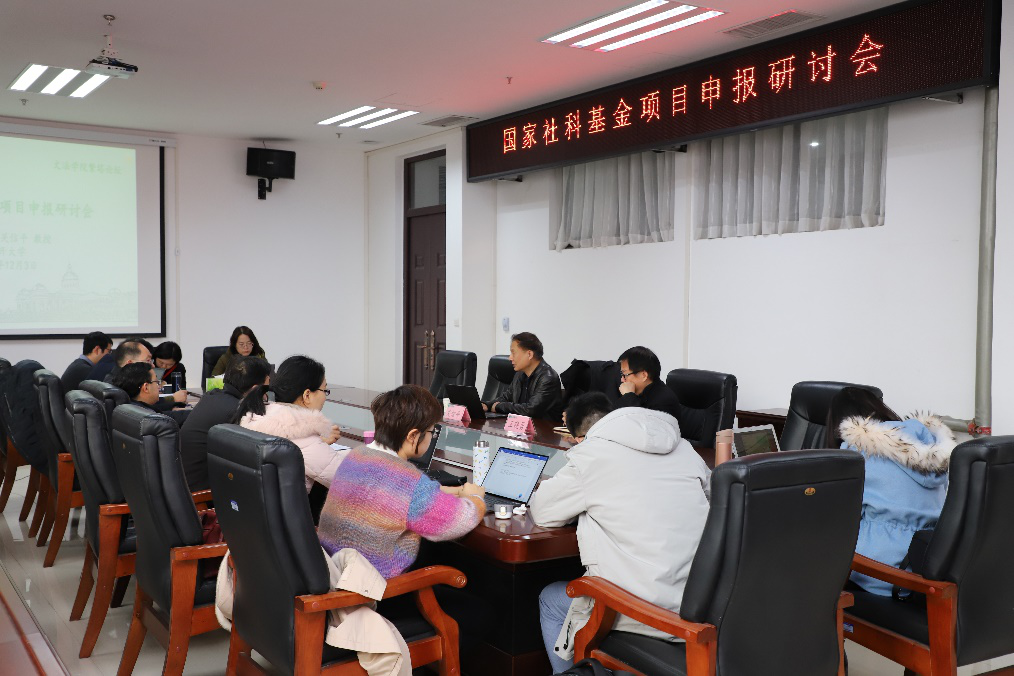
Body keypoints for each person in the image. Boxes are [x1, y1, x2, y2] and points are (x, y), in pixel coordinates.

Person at [530, 393, 711, 673]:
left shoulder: (592, 454)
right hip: (699, 605)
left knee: (551, 598)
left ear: (579, 438)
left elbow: (543, 512)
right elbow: (711, 502)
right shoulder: (684, 448)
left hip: (643, 611)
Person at [317, 384, 485, 578]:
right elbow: (460, 520)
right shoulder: (408, 483)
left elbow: (392, 495)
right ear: (413, 436)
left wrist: (442, 491)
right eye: (431, 432)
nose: (432, 437)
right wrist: (475, 498)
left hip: (333, 573)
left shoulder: (357, 456)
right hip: (372, 586)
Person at [829, 387, 956, 597]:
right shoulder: (929, 449)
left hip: (884, 574)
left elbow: (839, 517)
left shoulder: (856, 455)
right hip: (929, 564)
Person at [234, 355, 344, 491]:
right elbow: (351, 482)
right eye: (324, 390)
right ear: (307, 395)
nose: (324, 397)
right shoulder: (302, 435)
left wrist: (321, 443)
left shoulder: (259, 416)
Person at [180, 356, 270, 491]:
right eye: (266, 389)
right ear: (255, 389)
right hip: (202, 492)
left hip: (185, 482)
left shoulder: (212, 396)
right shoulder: (238, 412)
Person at [483, 332, 565, 421]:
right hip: (523, 427)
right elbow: (506, 397)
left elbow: (531, 410)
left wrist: (499, 406)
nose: (510, 358)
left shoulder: (548, 378)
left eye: (513, 353)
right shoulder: (520, 374)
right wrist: (487, 405)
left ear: (529, 354)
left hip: (545, 428)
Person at [105, 339, 188, 410]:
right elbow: (142, 410)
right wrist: (172, 400)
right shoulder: (118, 386)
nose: (153, 365)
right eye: (148, 360)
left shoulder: (119, 378)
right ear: (130, 363)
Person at [612, 345, 681, 419]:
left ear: (644, 375)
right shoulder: (638, 394)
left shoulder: (664, 401)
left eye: (625, 374)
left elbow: (639, 422)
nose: (622, 380)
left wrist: (628, 396)